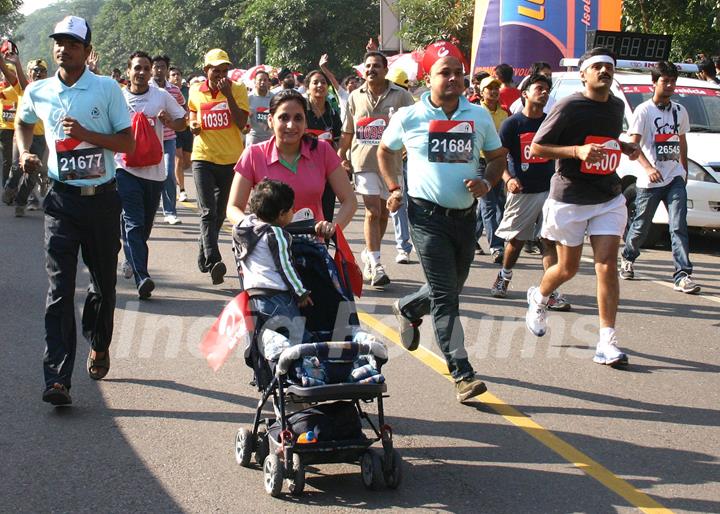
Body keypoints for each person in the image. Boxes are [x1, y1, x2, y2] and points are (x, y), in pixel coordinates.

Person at [15, 15, 135, 405]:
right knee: (59, 290)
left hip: (101, 199)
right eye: (58, 42)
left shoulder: (105, 89)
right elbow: (23, 122)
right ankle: (57, 379)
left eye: (71, 43)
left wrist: (86, 135)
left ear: (87, 50)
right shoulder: (39, 89)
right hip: (61, 201)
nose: (62, 48)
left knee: (103, 286)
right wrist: (25, 154)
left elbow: (127, 143)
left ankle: (98, 343)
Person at [377, 56, 508, 403]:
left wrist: (487, 180)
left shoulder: (478, 116)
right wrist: (394, 188)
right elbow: (385, 151)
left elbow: (497, 158)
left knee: (449, 287)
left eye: (458, 74)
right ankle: (462, 375)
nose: (452, 79)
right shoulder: (409, 116)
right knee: (447, 297)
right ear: (428, 79)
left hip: (465, 218)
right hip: (426, 216)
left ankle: (407, 308)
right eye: (444, 73)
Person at [527, 47, 640, 367]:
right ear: (584, 74)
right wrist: (576, 151)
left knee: (606, 264)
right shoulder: (569, 106)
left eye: (609, 66)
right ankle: (539, 297)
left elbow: (605, 139)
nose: (604, 71)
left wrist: (624, 146)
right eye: (598, 67)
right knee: (568, 268)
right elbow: (537, 147)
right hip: (570, 197)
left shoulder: (616, 106)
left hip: (607, 195)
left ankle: (607, 341)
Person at [227, 89, 356, 238]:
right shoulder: (253, 154)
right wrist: (254, 228)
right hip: (267, 247)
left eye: (298, 118)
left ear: (305, 121)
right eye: (284, 118)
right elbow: (233, 207)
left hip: (312, 248)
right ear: (270, 120)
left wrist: (332, 228)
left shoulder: (323, 150)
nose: (291, 125)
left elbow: (349, 201)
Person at [489, 74, 571, 310]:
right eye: (539, 88)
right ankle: (504, 276)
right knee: (516, 240)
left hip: (550, 191)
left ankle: (551, 291)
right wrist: (508, 179)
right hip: (522, 190)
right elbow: (498, 157)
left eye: (547, 89)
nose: (544, 93)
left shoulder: (551, 122)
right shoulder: (512, 124)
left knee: (549, 240)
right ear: (525, 94)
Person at [620, 61, 700, 294]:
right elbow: (633, 146)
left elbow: (682, 140)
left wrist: (683, 169)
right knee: (642, 225)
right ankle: (628, 257)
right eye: (665, 81)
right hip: (650, 181)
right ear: (654, 83)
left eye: (673, 81)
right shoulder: (643, 111)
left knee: (678, 225)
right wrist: (648, 168)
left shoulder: (679, 111)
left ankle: (683, 274)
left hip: (675, 177)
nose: (670, 86)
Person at [338, 51, 414, 288]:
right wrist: (342, 155)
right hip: (363, 162)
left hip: (391, 165)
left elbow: (413, 126)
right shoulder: (354, 96)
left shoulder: (402, 96)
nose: (371, 70)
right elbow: (348, 130)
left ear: (385, 69)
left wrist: (409, 149)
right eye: (368, 66)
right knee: (372, 211)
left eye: (376, 66)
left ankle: (371, 254)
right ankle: (377, 264)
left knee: (383, 214)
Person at [117, 51, 186, 298]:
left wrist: (169, 121)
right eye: (137, 68)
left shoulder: (162, 96)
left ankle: (130, 255)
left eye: (146, 68)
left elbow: (182, 122)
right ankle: (142, 277)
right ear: (128, 71)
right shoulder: (118, 97)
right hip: (124, 169)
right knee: (134, 222)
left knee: (143, 226)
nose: (142, 72)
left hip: (154, 172)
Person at [188, 48, 249, 285]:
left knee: (221, 213)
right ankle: (214, 260)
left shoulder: (239, 89)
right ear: (206, 71)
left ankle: (204, 253)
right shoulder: (195, 90)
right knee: (208, 211)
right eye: (216, 71)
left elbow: (242, 122)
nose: (221, 75)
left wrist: (229, 95)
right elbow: (192, 112)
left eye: (225, 71)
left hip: (231, 160)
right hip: (202, 158)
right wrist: (193, 123)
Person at [234, 179, 313, 343]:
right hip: (276, 296)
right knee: (298, 338)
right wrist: (301, 293)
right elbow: (285, 267)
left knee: (269, 340)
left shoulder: (243, 228)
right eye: (292, 208)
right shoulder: (276, 235)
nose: (294, 211)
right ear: (281, 214)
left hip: (253, 295)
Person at [6, 58, 48, 216]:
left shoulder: (51, 91)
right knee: (17, 167)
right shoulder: (23, 88)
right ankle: (10, 187)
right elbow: (8, 73)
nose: (38, 73)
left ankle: (21, 202)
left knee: (32, 175)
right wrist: (14, 63)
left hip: (40, 137)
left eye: (42, 71)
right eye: (35, 70)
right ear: (29, 73)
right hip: (22, 135)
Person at [150, 54, 186, 225]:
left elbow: (182, 110)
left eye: (162, 66)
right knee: (148, 175)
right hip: (149, 140)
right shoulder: (146, 88)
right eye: (156, 66)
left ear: (167, 69)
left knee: (168, 172)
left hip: (168, 139)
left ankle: (170, 211)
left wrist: (171, 119)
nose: (159, 70)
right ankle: (150, 206)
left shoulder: (174, 90)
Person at [304, 69, 342, 222]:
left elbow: (338, 140)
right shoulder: (301, 111)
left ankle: (323, 245)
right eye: (315, 82)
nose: (320, 85)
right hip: (303, 167)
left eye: (323, 82)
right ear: (307, 88)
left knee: (326, 214)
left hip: (326, 170)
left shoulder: (332, 113)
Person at [477, 75, 508, 264]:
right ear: (482, 92)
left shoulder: (504, 115)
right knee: (489, 204)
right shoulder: (476, 112)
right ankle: (496, 246)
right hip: (480, 162)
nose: (494, 91)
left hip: (498, 162)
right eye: (490, 88)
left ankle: (470, 239)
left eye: (497, 88)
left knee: (491, 204)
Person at [385, 67, 414, 264]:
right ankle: (403, 246)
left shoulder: (414, 106)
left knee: (415, 202)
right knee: (398, 202)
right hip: (390, 160)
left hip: (410, 160)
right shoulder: (381, 102)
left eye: (400, 87)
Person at [169, 65, 191, 201]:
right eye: (173, 75)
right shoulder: (166, 92)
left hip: (187, 128)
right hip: (173, 128)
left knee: (187, 163)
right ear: (168, 77)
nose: (176, 77)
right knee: (178, 159)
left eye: (178, 74)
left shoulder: (188, 91)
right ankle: (182, 190)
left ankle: (176, 176)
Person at [246, 70, 274, 146]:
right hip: (253, 138)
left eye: (265, 80)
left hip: (270, 137)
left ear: (269, 82)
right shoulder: (248, 98)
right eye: (260, 80)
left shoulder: (274, 98)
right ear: (255, 82)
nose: (262, 82)